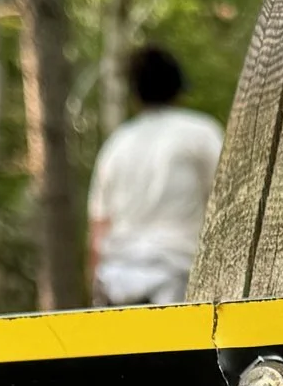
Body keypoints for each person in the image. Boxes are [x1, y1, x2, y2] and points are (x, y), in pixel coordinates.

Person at [86, 46, 224, 305]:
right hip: (180, 279)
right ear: (179, 88)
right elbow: (229, 206)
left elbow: (99, 230)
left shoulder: (116, 145)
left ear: (135, 94)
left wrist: (93, 299)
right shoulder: (201, 133)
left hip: (116, 283)